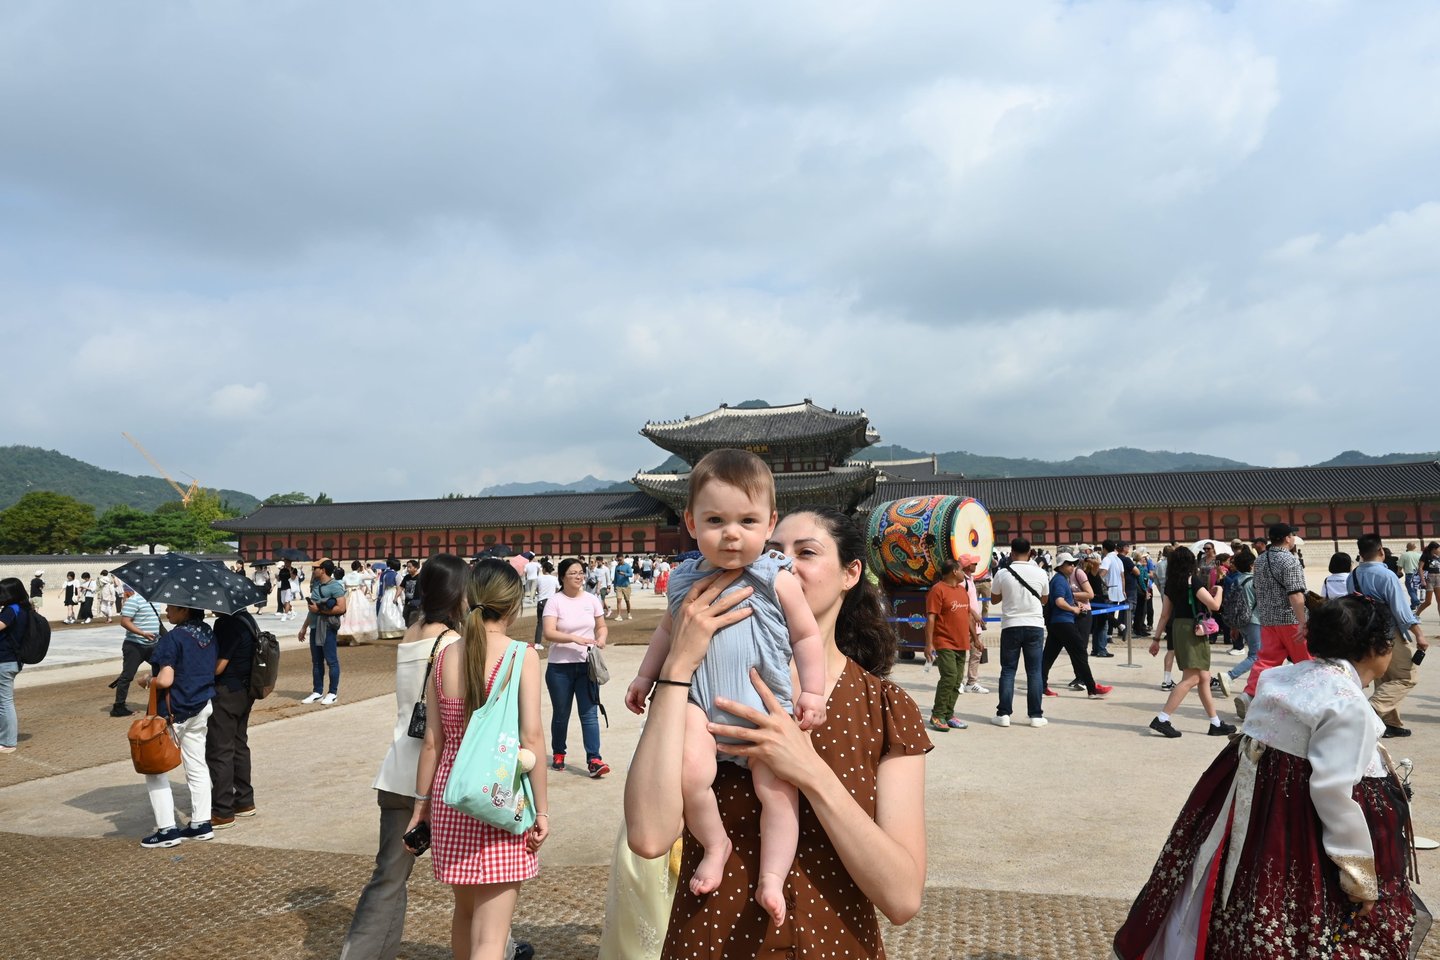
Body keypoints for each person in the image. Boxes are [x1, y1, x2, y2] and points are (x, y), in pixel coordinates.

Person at [625, 506, 930, 958]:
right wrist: (677, 667)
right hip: (710, 943)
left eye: (805, 552)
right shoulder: (697, 688)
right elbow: (649, 838)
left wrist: (810, 771)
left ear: (850, 574)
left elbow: (902, 898)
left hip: (837, 945)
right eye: (772, 551)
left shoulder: (884, 707)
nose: (782, 563)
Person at [1114, 595, 1422, 959]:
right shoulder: (1346, 704)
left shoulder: (1282, 676)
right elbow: (1334, 793)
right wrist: (1359, 874)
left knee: (1242, 902)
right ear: (1375, 647)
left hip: (1256, 810)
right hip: (1296, 826)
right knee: (1306, 920)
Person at [623, 450, 827, 926]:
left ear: (769, 523)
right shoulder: (681, 580)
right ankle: (715, 845)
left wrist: (811, 693)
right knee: (690, 774)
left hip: (766, 708)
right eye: (716, 520)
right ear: (691, 522)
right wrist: (644, 677)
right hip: (701, 705)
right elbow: (667, 634)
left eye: (747, 520)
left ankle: (772, 878)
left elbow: (806, 635)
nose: (731, 533)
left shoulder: (777, 578)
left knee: (778, 791)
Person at [342, 554, 532, 960]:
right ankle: (500, 947)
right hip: (448, 778)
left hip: (401, 771)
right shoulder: (453, 644)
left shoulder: (411, 634)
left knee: (389, 879)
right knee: (486, 888)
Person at [404, 559, 548, 960]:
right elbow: (532, 736)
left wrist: (422, 808)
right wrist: (543, 811)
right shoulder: (522, 655)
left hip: (453, 796)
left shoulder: (443, 655)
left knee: (465, 918)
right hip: (499, 795)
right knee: (492, 936)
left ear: (468, 598)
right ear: (515, 605)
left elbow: (432, 741)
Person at [138, 604, 218, 848]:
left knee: (155, 768)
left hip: (176, 710)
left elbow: (165, 679)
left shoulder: (173, 638)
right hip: (202, 704)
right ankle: (201, 823)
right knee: (196, 763)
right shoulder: (208, 634)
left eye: (171, 607)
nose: (166, 610)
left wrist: (146, 680)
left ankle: (167, 830)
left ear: (184, 611)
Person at [1146, 546, 1237, 739]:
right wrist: (1219, 589)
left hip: (1179, 628)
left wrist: (1156, 639)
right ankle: (1162, 719)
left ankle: (1215, 723)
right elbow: (1215, 605)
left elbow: (1164, 615)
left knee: (1203, 677)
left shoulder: (1171, 582)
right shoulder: (1193, 580)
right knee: (1191, 678)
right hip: (1193, 630)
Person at [1349, 533, 1428, 739]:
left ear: (1361, 554)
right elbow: (1402, 611)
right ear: (1381, 551)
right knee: (1406, 676)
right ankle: (1371, 710)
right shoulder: (1387, 576)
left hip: (1365, 632)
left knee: (1384, 677)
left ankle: (1390, 723)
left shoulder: (1353, 576)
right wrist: (1419, 634)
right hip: (1388, 633)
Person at [542, 558, 610, 777]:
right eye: (573, 573)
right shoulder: (555, 601)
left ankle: (594, 759)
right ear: (562, 577)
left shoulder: (591, 600)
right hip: (559, 668)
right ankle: (559, 752)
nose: (579, 577)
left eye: (581, 572)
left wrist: (601, 638)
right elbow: (549, 633)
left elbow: (601, 626)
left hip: (586, 665)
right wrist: (574, 639)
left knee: (589, 714)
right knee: (561, 714)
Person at [1236, 523, 1310, 717]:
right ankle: (1310, 700)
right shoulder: (1290, 560)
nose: (1293, 538)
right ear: (1287, 538)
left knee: (1266, 661)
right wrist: (1303, 621)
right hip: (1290, 617)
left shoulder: (1260, 560)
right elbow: (1295, 594)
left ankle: (1249, 694)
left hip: (1267, 618)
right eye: (1292, 535)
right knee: (1307, 661)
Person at [988, 537, 1050, 728]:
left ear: (1012, 553)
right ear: (1031, 552)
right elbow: (1045, 600)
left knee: (1008, 670)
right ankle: (1036, 715)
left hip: (1011, 624)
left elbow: (994, 600)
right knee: (1034, 672)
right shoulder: (1041, 573)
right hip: (1034, 624)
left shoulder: (1003, 573)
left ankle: (1004, 714)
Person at [207, 609, 259, 828]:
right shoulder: (247, 620)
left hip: (227, 692)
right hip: (246, 691)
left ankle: (222, 810)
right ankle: (245, 800)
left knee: (220, 749)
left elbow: (219, 666)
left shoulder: (226, 624)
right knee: (238, 745)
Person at [1042, 553, 1112, 700]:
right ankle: (1092, 688)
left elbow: (1063, 599)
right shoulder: (1060, 581)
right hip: (1063, 622)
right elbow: (1059, 601)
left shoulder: (1060, 579)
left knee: (1048, 656)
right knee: (1080, 651)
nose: (1073, 566)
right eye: (1069, 564)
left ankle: (1040, 685)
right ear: (1061, 566)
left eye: (1074, 563)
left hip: (1057, 623)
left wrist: (1075, 604)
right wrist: (1074, 609)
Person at [922, 560, 978, 732]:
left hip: (962, 642)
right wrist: (928, 644)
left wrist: (976, 639)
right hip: (944, 642)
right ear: (954, 571)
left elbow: (967, 616)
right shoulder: (937, 590)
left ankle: (948, 714)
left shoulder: (962, 591)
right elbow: (931, 618)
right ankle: (937, 715)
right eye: (962, 570)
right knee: (949, 677)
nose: (964, 573)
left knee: (957, 680)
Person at [297, 560, 347, 705]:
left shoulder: (335, 586)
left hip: (327, 628)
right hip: (314, 627)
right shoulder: (316, 585)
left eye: (315, 568)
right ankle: (317, 691)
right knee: (316, 661)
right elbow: (311, 609)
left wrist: (320, 610)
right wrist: (304, 627)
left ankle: (332, 692)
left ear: (323, 570)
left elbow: (342, 608)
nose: (313, 570)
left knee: (331, 661)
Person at [110, 583, 162, 717]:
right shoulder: (134, 600)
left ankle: (159, 703)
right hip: (135, 645)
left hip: (154, 644)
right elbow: (124, 622)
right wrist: (142, 633)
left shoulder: (156, 602)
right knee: (127, 676)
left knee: (161, 673)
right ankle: (118, 707)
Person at [1220, 547, 1262, 693]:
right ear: (1251, 565)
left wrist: (1234, 627)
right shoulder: (1255, 581)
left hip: (1241, 621)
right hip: (1254, 620)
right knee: (1255, 656)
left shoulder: (1235, 580)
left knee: (1258, 654)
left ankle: (1257, 684)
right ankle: (1229, 676)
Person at [0, 578, 33, 755]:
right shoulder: (23, 609)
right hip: (11, 660)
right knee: (3, 701)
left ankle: (7, 742)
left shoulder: (10, 610)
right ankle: (4, 737)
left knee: (4, 702)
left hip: (5, 660)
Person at [339, 560, 381, 645]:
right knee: (358, 614)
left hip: (348, 595)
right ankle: (356, 635)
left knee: (348, 614)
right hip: (358, 595)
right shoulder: (360, 575)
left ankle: (349, 634)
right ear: (359, 567)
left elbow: (341, 584)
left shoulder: (346, 576)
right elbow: (373, 576)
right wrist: (365, 569)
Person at [376, 558, 407, 640]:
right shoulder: (396, 574)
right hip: (394, 593)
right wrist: (403, 598)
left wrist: (381, 596)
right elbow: (400, 587)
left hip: (386, 594)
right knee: (397, 611)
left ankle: (385, 631)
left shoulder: (384, 574)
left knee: (385, 612)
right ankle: (397, 629)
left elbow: (381, 586)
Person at [532, 560, 558, 649]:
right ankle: (556, 641)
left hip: (541, 601)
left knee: (540, 623)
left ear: (544, 569)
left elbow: (537, 590)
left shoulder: (539, 578)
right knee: (554, 622)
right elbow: (558, 589)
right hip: (551, 602)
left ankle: (537, 643)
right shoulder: (554, 578)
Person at [1414, 541, 1440, 622]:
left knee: (1439, 600)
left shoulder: (1438, 557)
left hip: (1438, 578)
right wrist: (1422, 580)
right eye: (1438, 548)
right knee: (1428, 602)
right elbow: (1420, 568)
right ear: (1434, 549)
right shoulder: (1425, 556)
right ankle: (1416, 615)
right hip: (1429, 578)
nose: (1439, 550)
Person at [1400, 541, 1423, 610]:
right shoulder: (1419, 555)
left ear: (1407, 547)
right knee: (1414, 590)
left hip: (1409, 575)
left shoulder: (1404, 555)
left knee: (1411, 590)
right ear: (1415, 547)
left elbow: (1400, 565)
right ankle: (1413, 606)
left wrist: (1399, 571)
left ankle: (1416, 602)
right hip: (1417, 575)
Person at [400, 559, 422, 625]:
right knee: (405, 618)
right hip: (407, 603)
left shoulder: (421, 577)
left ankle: (412, 634)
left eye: (410, 567)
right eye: (407, 567)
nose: (408, 569)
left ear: (416, 568)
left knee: (413, 621)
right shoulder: (407, 577)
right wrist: (396, 597)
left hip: (416, 603)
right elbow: (401, 587)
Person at [613, 556, 634, 621]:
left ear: (623, 558)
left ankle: (629, 613)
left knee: (627, 600)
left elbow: (631, 574)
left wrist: (624, 574)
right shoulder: (617, 567)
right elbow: (615, 577)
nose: (619, 561)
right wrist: (614, 586)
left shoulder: (627, 566)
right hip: (618, 586)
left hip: (626, 585)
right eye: (618, 560)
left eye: (620, 560)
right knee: (618, 600)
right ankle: (619, 615)